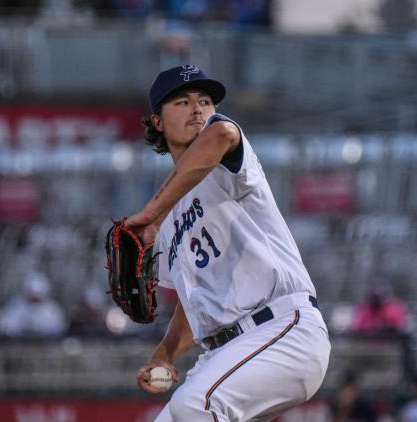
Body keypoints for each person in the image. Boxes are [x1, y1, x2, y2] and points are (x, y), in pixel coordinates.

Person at [125, 64, 330, 421]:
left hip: (282, 329)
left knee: (194, 405)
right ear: (157, 121)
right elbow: (196, 302)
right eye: (183, 102)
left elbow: (221, 133)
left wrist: (153, 213)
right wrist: (164, 355)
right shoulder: (171, 219)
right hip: (225, 353)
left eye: (204, 100)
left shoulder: (226, 159)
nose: (198, 109)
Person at [0, 272, 67, 338]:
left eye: (38, 295)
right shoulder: (15, 306)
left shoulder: (52, 310)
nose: (34, 297)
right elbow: (2, 325)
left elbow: (58, 328)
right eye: (32, 294)